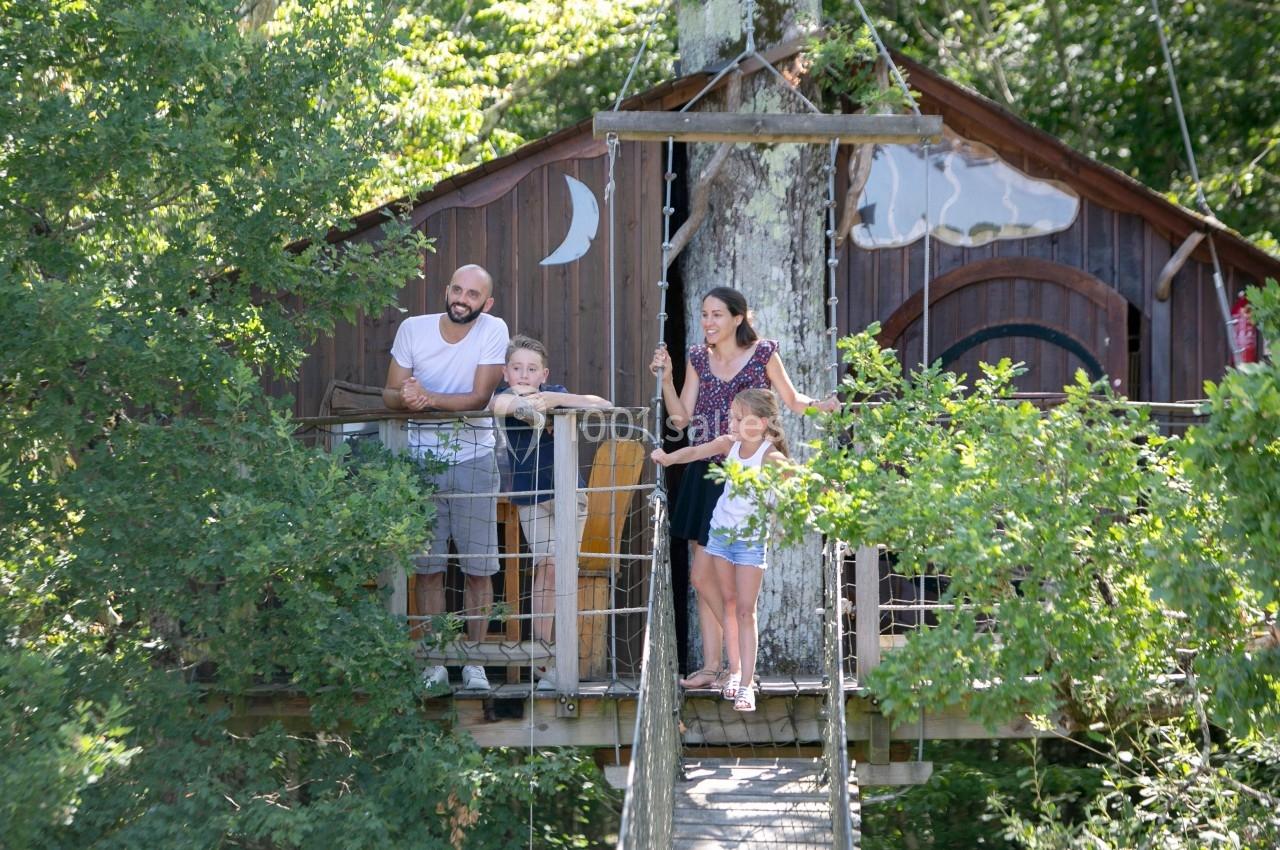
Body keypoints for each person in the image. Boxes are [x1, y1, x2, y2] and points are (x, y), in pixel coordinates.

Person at [649, 286, 835, 691]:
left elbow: (792, 400)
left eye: (716, 314)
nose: (708, 322)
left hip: (745, 474)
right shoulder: (698, 358)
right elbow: (680, 420)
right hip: (706, 472)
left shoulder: (763, 353)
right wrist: (666, 380)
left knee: (724, 579)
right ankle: (713, 666)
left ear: (738, 318)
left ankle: (737, 665)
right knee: (703, 576)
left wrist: (820, 405)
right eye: (704, 314)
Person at [384, 264, 509, 692]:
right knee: (428, 568)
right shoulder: (413, 329)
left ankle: (474, 662)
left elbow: (478, 398)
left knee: (479, 568)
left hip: (475, 459)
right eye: (457, 289)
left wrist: (426, 397)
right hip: (420, 463)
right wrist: (406, 397)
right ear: (446, 289)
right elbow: (389, 393)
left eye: (473, 294)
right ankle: (434, 660)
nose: (462, 299)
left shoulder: (494, 329)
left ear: (486, 303)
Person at [652, 389, 791, 712]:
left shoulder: (771, 457)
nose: (732, 423)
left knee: (745, 610)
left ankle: (746, 686)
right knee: (728, 604)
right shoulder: (729, 445)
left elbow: (797, 483)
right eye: (732, 417)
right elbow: (695, 451)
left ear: (762, 423)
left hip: (750, 541)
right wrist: (668, 458)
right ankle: (735, 672)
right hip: (721, 535)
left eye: (740, 419)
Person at [489, 335, 611, 690]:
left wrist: (555, 401)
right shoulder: (503, 396)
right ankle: (544, 658)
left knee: (562, 571)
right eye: (516, 368)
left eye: (532, 369)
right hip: (531, 497)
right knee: (546, 567)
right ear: (505, 372)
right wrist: (528, 405)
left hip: (568, 494)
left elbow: (603, 404)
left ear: (544, 374)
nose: (524, 375)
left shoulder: (554, 392)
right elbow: (498, 405)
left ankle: (562, 658)